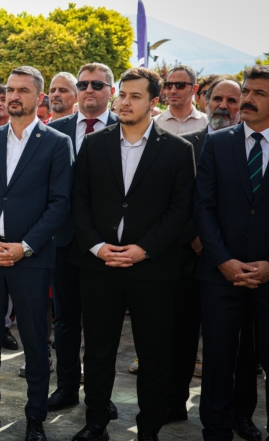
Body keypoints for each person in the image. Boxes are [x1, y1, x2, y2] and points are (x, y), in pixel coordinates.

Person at [69, 67, 195, 441]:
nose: (124, 101)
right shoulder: (94, 145)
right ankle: (95, 423)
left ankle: (149, 429)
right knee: (97, 351)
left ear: (153, 103)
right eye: (122, 94)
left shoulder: (177, 150)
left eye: (135, 96)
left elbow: (180, 209)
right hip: (99, 266)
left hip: (153, 270)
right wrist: (96, 246)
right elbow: (79, 201)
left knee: (155, 355)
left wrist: (144, 250)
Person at [0, 66, 73, 439]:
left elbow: (60, 204)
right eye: (10, 89)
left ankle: (35, 418)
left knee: (36, 344)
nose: (13, 96)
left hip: (31, 261)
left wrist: (24, 247)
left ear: (38, 98)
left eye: (22, 90)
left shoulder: (57, 143)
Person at [167, 78, 262, 437]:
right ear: (204, 101)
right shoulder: (187, 144)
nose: (224, 105)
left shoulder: (255, 144)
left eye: (232, 99)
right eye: (217, 98)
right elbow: (182, 200)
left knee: (243, 349)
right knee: (184, 338)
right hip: (193, 260)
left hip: (241, 266)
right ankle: (175, 403)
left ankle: (241, 414)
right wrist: (200, 241)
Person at [194, 64, 269, 441]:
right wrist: (222, 260)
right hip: (220, 274)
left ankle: (245, 417)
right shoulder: (218, 142)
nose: (248, 99)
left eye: (260, 93)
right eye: (247, 91)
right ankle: (217, 427)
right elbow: (203, 206)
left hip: (268, 275)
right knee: (220, 357)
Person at [46, 63, 120, 415]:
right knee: (65, 320)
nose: (89, 89)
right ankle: (65, 387)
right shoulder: (55, 130)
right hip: (63, 241)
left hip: (106, 244)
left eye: (97, 84)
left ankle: (99, 394)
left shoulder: (126, 129)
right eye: (83, 84)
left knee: (101, 324)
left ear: (111, 90)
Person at [154, 65, 208, 135]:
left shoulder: (208, 124)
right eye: (169, 85)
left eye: (180, 85)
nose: (173, 91)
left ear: (194, 89)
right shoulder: (153, 125)